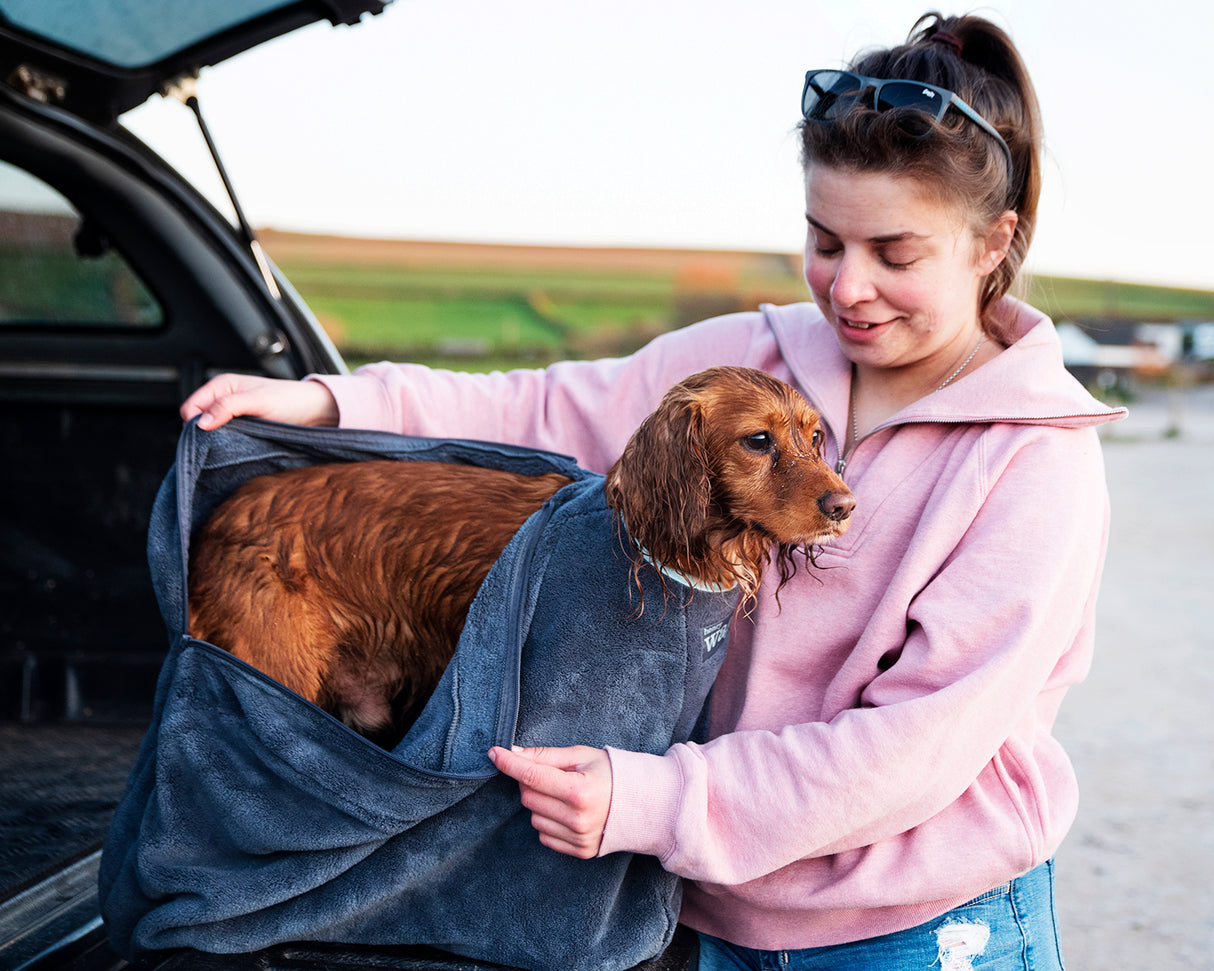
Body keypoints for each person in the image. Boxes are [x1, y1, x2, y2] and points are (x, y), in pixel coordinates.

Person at [182, 12, 1126, 969]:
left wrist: (654, 800)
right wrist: (334, 398)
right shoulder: (754, 356)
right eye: (824, 241)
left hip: (915, 925)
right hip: (697, 905)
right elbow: (548, 407)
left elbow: (914, 750)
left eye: (896, 254)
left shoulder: (1034, 460)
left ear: (991, 242)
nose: (846, 288)